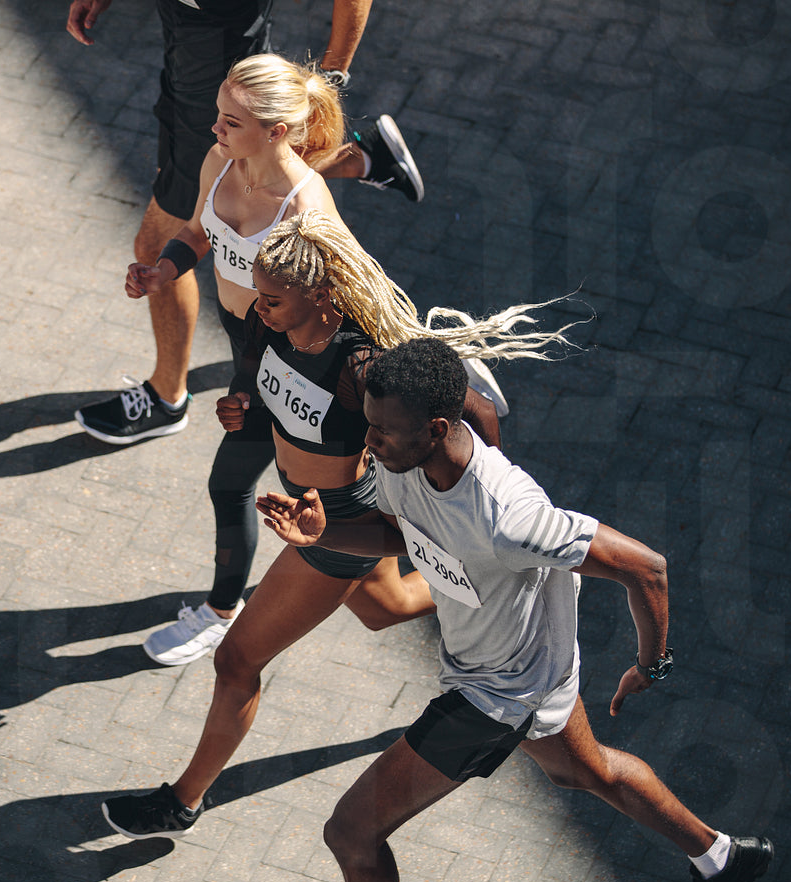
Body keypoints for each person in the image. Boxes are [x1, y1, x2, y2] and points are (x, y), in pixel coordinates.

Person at [254, 337, 775, 882]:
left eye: (382, 431)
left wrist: (651, 665)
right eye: (369, 424)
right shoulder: (406, 460)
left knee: (352, 834)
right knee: (587, 772)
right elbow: (404, 531)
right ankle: (723, 857)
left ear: (435, 428)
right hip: (521, 668)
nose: (369, 441)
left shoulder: (510, 518)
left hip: (498, 696)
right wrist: (324, 533)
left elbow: (647, 569)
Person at [100, 212, 576, 840]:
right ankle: (479, 576)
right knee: (384, 609)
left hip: (340, 525)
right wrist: (241, 406)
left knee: (237, 660)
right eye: (258, 295)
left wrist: (478, 491)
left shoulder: (361, 364)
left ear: (321, 295)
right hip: (309, 508)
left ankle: (181, 803)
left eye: (273, 299)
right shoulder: (266, 325)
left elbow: (477, 410)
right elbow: (255, 381)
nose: (258, 306)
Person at [67, 0, 425, 444]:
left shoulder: (301, 205)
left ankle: (167, 397)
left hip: (284, 345)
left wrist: (328, 86)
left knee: (267, 459)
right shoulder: (221, 153)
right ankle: (359, 155)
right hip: (186, 82)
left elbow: (355, 294)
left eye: (228, 125)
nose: (217, 130)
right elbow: (198, 232)